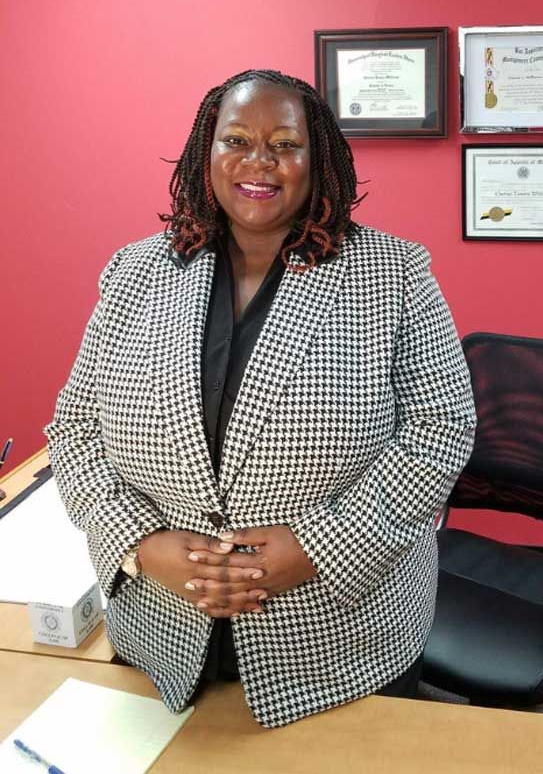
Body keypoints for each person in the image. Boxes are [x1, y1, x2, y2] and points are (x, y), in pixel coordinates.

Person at [45, 69, 476, 728]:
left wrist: (319, 548)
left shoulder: (394, 274)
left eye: (285, 144)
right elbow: (74, 426)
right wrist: (139, 543)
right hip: (161, 625)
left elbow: (440, 429)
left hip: (339, 640)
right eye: (237, 139)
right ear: (206, 150)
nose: (259, 162)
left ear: (318, 156)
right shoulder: (134, 272)